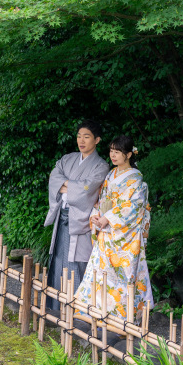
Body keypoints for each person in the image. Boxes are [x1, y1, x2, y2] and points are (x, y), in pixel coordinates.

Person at [74, 135, 154, 323]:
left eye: (117, 152)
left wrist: (107, 219)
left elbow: (132, 207)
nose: (113, 155)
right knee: (100, 272)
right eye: (111, 150)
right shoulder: (111, 174)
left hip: (126, 236)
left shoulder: (136, 179)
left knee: (122, 275)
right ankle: (95, 312)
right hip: (106, 231)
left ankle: (120, 318)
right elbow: (102, 199)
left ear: (128, 154)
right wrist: (96, 214)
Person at [45, 120, 109, 313]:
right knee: (57, 260)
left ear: (97, 140)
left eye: (87, 137)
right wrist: (73, 186)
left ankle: (77, 311)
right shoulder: (68, 159)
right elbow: (54, 178)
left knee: (77, 262)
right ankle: (55, 308)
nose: (81, 140)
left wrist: (65, 186)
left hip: (81, 222)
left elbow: (85, 192)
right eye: (79, 136)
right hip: (62, 218)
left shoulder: (101, 166)